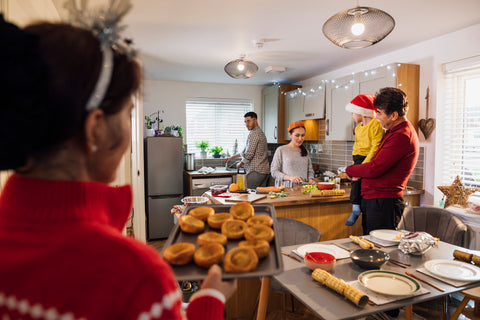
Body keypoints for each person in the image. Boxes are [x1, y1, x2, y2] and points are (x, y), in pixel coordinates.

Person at [0, 4, 235, 320]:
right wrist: (211, 298)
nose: (129, 132)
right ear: (95, 128)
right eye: (127, 115)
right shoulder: (136, 275)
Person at [346, 87, 419, 235]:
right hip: (376, 201)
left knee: (381, 249)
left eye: (379, 112)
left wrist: (349, 170)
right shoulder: (393, 132)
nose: (376, 117)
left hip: (384, 203)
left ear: (393, 115)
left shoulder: (402, 135)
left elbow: (375, 167)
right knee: (372, 246)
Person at [344, 95, 384, 227]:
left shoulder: (375, 124)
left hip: (368, 158)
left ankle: (356, 210)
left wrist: (364, 165)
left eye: (353, 112)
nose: (352, 116)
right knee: (355, 184)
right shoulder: (358, 128)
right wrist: (354, 161)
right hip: (358, 158)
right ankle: (355, 208)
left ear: (362, 112)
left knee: (359, 183)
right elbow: (356, 146)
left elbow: (375, 147)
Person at [226, 111, 270, 189]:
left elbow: (249, 154)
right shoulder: (260, 132)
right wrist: (232, 157)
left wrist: (240, 163)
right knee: (259, 197)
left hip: (256, 171)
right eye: (245, 122)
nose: (246, 124)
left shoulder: (254, 133)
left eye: (248, 121)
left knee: (248, 196)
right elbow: (245, 152)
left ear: (255, 120)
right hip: (264, 171)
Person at [271, 121, 316, 187]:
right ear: (290, 134)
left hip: (303, 189)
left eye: (303, 135)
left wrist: (310, 180)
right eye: (297, 135)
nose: (300, 138)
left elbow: (310, 171)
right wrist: (290, 178)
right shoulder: (281, 150)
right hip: (286, 189)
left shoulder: (306, 151)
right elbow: (274, 172)